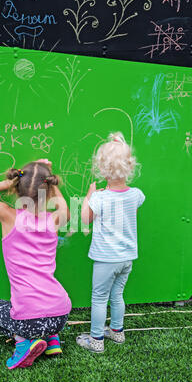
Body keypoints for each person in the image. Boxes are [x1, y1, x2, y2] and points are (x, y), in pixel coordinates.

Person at [0, 159, 72, 369]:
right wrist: (49, 182)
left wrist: (9, 182)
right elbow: (64, 207)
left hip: (28, 319)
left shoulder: (7, 215)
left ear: (16, 189)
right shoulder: (54, 220)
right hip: (60, 313)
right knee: (42, 312)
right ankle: (52, 339)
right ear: (49, 191)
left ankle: (23, 342)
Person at [76, 132, 145, 353]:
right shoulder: (136, 194)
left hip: (106, 259)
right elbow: (130, 206)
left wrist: (89, 196)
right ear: (130, 166)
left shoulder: (99, 198)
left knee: (99, 298)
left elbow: (86, 219)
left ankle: (96, 339)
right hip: (126, 258)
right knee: (117, 295)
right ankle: (117, 332)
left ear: (102, 168)